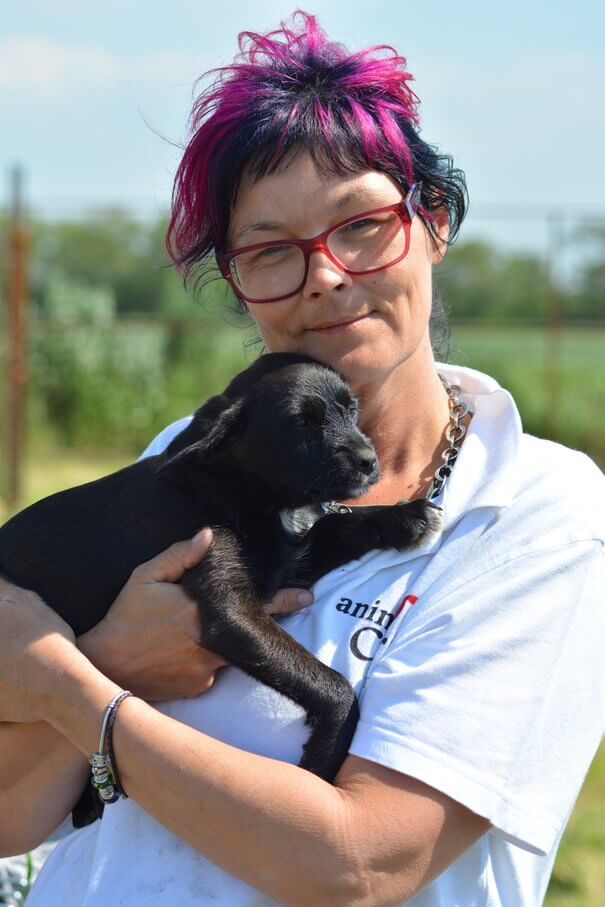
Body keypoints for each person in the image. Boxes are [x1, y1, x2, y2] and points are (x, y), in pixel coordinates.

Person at [0, 10, 603, 906]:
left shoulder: (529, 515)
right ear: (238, 283)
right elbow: (11, 817)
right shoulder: (194, 460)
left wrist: (71, 684)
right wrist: (109, 660)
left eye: (360, 224)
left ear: (432, 222)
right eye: (271, 250)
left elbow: (356, 864)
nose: (323, 274)